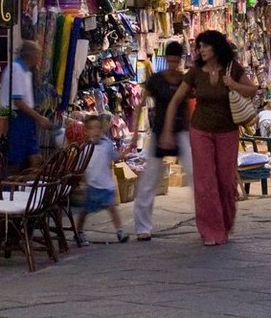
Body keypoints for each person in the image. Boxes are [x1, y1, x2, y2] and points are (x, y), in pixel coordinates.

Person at [159, 29, 257, 246]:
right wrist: (167, 130)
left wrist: (233, 84)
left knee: (226, 181)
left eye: (205, 45)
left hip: (228, 130)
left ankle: (224, 223)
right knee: (205, 182)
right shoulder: (195, 72)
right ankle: (210, 230)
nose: (201, 50)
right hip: (201, 130)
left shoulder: (232, 68)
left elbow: (252, 90)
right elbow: (176, 100)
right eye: (199, 46)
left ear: (216, 47)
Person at [133, 41, 192, 240]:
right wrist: (135, 134)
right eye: (170, 61)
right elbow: (141, 103)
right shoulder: (156, 80)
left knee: (194, 173)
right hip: (159, 131)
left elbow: (188, 107)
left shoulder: (184, 80)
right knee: (149, 180)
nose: (173, 65)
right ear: (166, 59)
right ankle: (142, 228)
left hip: (181, 131)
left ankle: (206, 221)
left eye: (176, 61)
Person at [0, 40, 55, 170]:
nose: (39, 58)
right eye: (38, 54)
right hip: (17, 118)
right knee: (16, 159)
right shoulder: (16, 70)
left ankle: (30, 180)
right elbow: (18, 102)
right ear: (30, 55)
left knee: (35, 157)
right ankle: (12, 181)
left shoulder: (25, 70)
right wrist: (39, 118)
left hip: (26, 119)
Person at [75, 114, 129, 245]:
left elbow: (115, 156)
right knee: (85, 211)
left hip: (106, 185)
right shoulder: (85, 148)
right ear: (87, 131)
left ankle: (120, 232)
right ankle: (79, 232)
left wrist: (125, 153)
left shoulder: (107, 144)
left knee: (112, 208)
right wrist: (83, 180)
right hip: (92, 186)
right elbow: (80, 167)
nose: (96, 131)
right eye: (92, 128)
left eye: (98, 128)